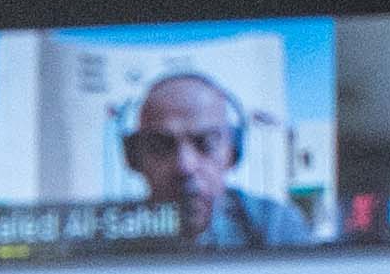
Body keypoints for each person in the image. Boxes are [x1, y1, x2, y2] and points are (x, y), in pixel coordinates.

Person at [116, 67, 313, 247]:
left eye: (206, 143)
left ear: (233, 151)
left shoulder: (274, 224)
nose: (185, 165)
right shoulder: (113, 231)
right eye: (161, 145)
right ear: (134, 157)